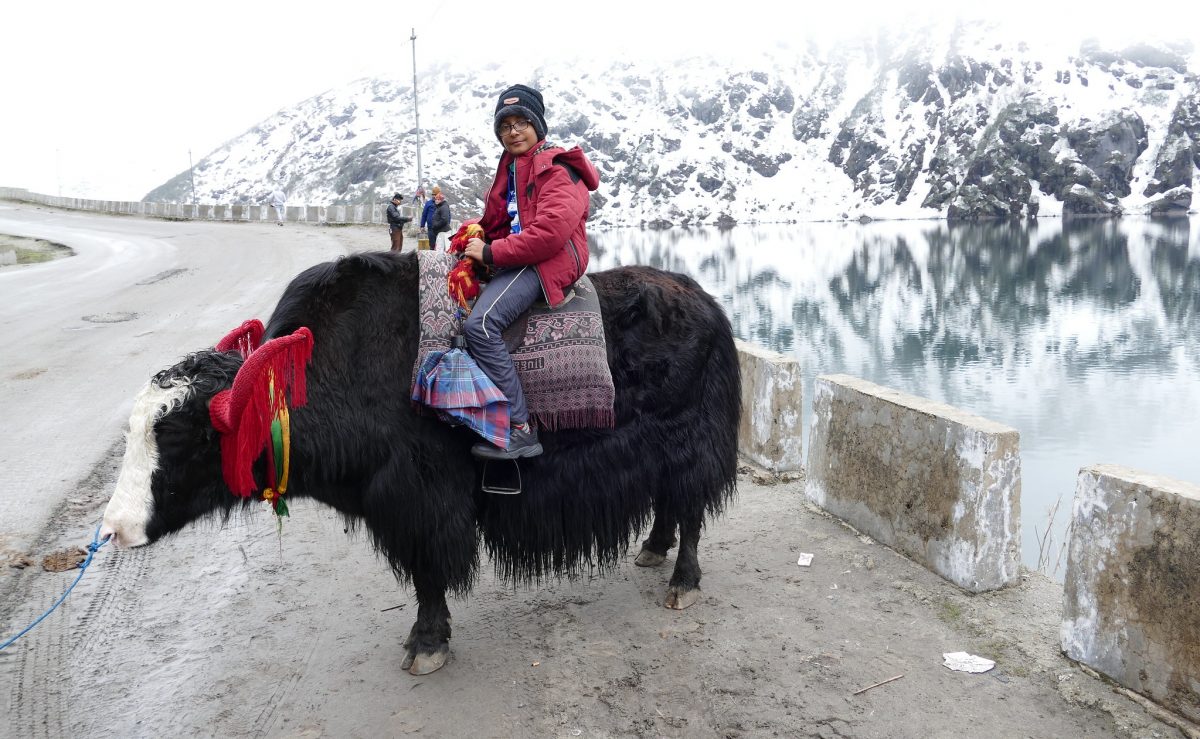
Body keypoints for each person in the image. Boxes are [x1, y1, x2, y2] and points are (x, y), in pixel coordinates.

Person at [461, 84, 600, 460]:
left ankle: (521, 428)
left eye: (521, 122)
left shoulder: (557, 168)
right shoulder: (511, 168)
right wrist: (472, 234)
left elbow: (549, 234)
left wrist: (491, 253)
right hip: (523, 255)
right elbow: (499, 221)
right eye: (505, 126)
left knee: (481, 325)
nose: (513, 132)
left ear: (538, 126)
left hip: (548, 259)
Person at [428, 187, 451, 251]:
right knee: (439, 248)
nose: (436, 200)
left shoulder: (443, 207)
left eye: (438, 199)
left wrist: (436, 225)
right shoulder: (439, 207)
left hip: (443, 232)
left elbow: (445, 219)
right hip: (440, 232)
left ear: (441, 200)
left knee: (442, 249)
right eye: (436, 199)